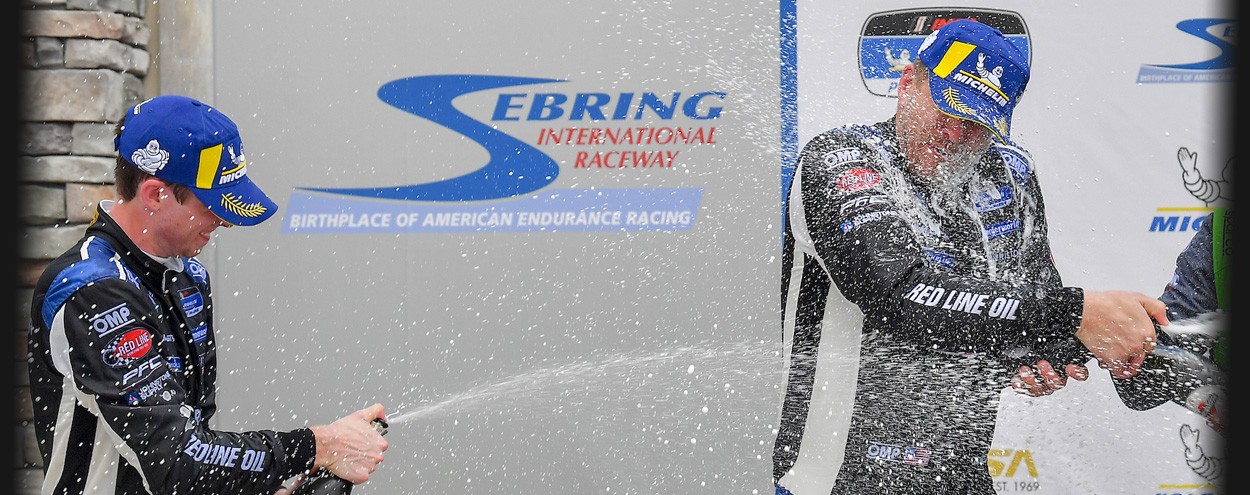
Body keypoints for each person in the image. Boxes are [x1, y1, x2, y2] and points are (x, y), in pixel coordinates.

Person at [771, 20, 1165, 495]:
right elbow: (899, 294)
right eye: (947, 109)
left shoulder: (1008, 173)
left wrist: (1078, 344)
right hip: (839, 479)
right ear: (907, 83)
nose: (956, 135)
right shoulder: (842, 159)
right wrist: (1075, 313)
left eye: (976, 122)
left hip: (960, 475)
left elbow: (1028, 303)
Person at [27, 95, 389, 495]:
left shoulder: (188, 276)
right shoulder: (92, 289)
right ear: (155, 194)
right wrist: (317, 446)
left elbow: (196, 444)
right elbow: (176, 461)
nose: (223, 221)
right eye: (212, 203)